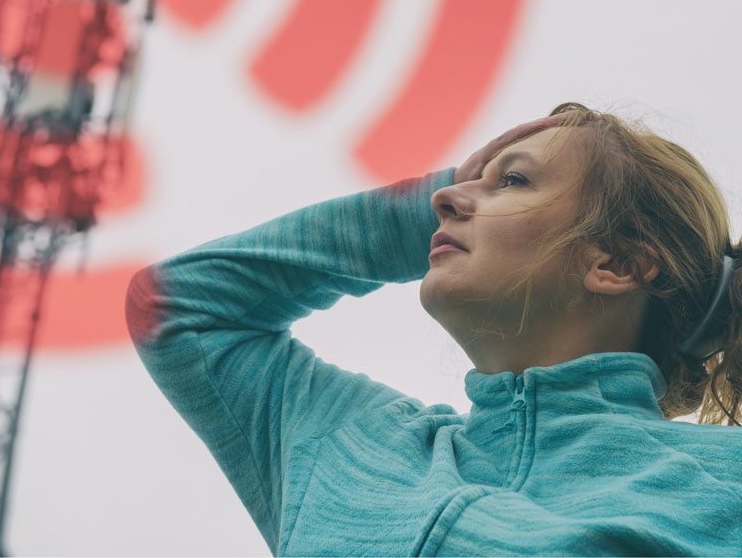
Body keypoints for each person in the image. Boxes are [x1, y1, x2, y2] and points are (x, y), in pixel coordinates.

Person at [126, 102, 742, 556]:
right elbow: (180, 304)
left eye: (515, 180)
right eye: (462, 184)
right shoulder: (348, 445)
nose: (449, 197)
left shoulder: (722, 480)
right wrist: (427, 209)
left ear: (616, 264)